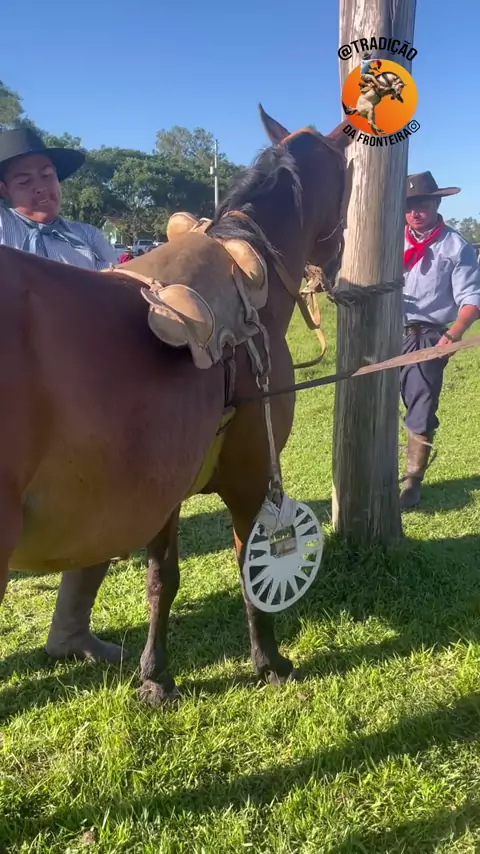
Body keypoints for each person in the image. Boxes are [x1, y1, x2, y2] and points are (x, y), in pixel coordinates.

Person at [0, 127, 123, 664]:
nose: (40, 187)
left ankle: (70, 630)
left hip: (86, 396)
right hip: (13, 396)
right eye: (24, 179)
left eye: (47, 175)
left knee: (107, 497)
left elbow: (122, 298)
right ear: (5, 190)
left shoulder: (90, 240)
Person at [400, 171, 480, 510]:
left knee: (420, 404)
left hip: (430, 335)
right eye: (409, 206)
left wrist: (453, 334)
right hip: (385, 330)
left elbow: (472, 300)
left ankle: (411, 480)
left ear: (436, 203)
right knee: (372, 399)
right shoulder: (390, 239)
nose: (415, 212)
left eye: (422, 204)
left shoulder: (455, 247)